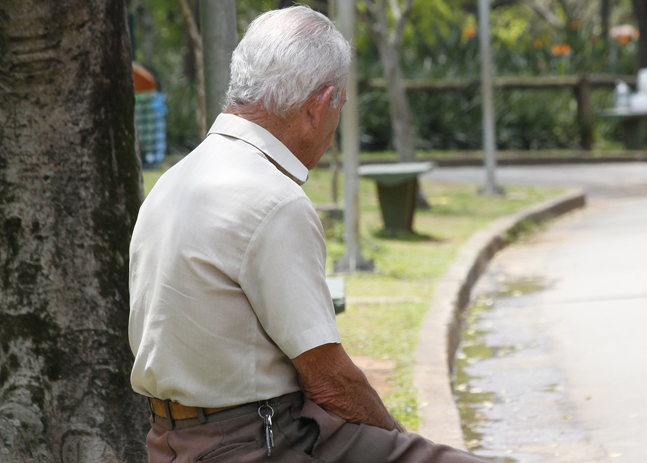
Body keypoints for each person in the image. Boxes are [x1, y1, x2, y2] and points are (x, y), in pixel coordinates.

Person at [128, 6, 490, 463]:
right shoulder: (274, 199)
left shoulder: (175, 180)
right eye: (339, 106)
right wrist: (396, 437)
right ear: (319, 105)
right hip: (253, 439)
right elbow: (330, 382)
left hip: (171, 438)